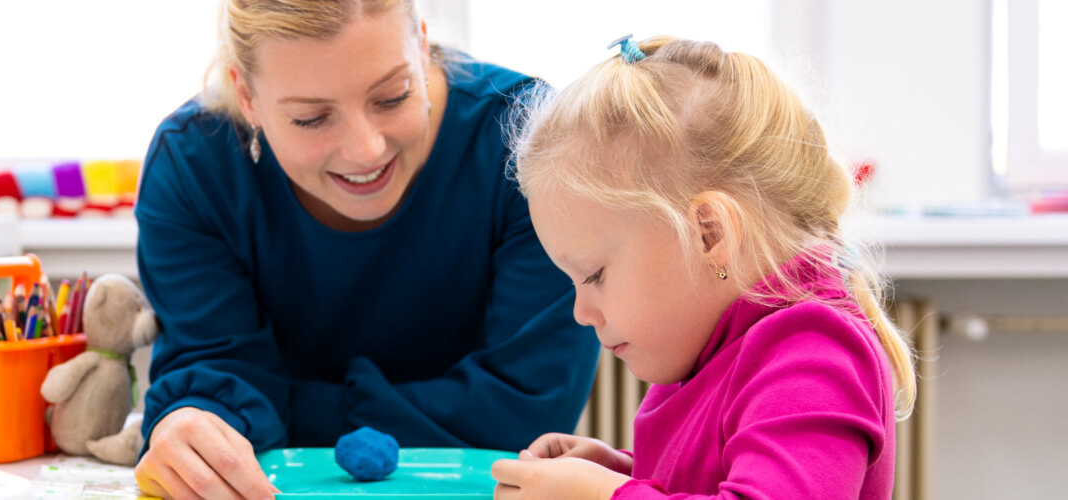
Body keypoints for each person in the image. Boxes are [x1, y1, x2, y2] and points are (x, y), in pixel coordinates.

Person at [133, 1, 599, 498]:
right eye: (311, 118)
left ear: (421, 46)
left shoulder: (533, 140)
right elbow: (213, 380)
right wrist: (191, 426)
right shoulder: (192, 167)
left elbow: (527, 410)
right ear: (247, 96)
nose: (366, 150)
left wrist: (284, 407)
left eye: (392, 96)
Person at [488, 36, 917, 500]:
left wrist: (603, 496)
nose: (581, 312)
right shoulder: (710, 343)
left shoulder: (813, 354)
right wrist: (624, 476)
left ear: (709, 233)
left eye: (593, 275)